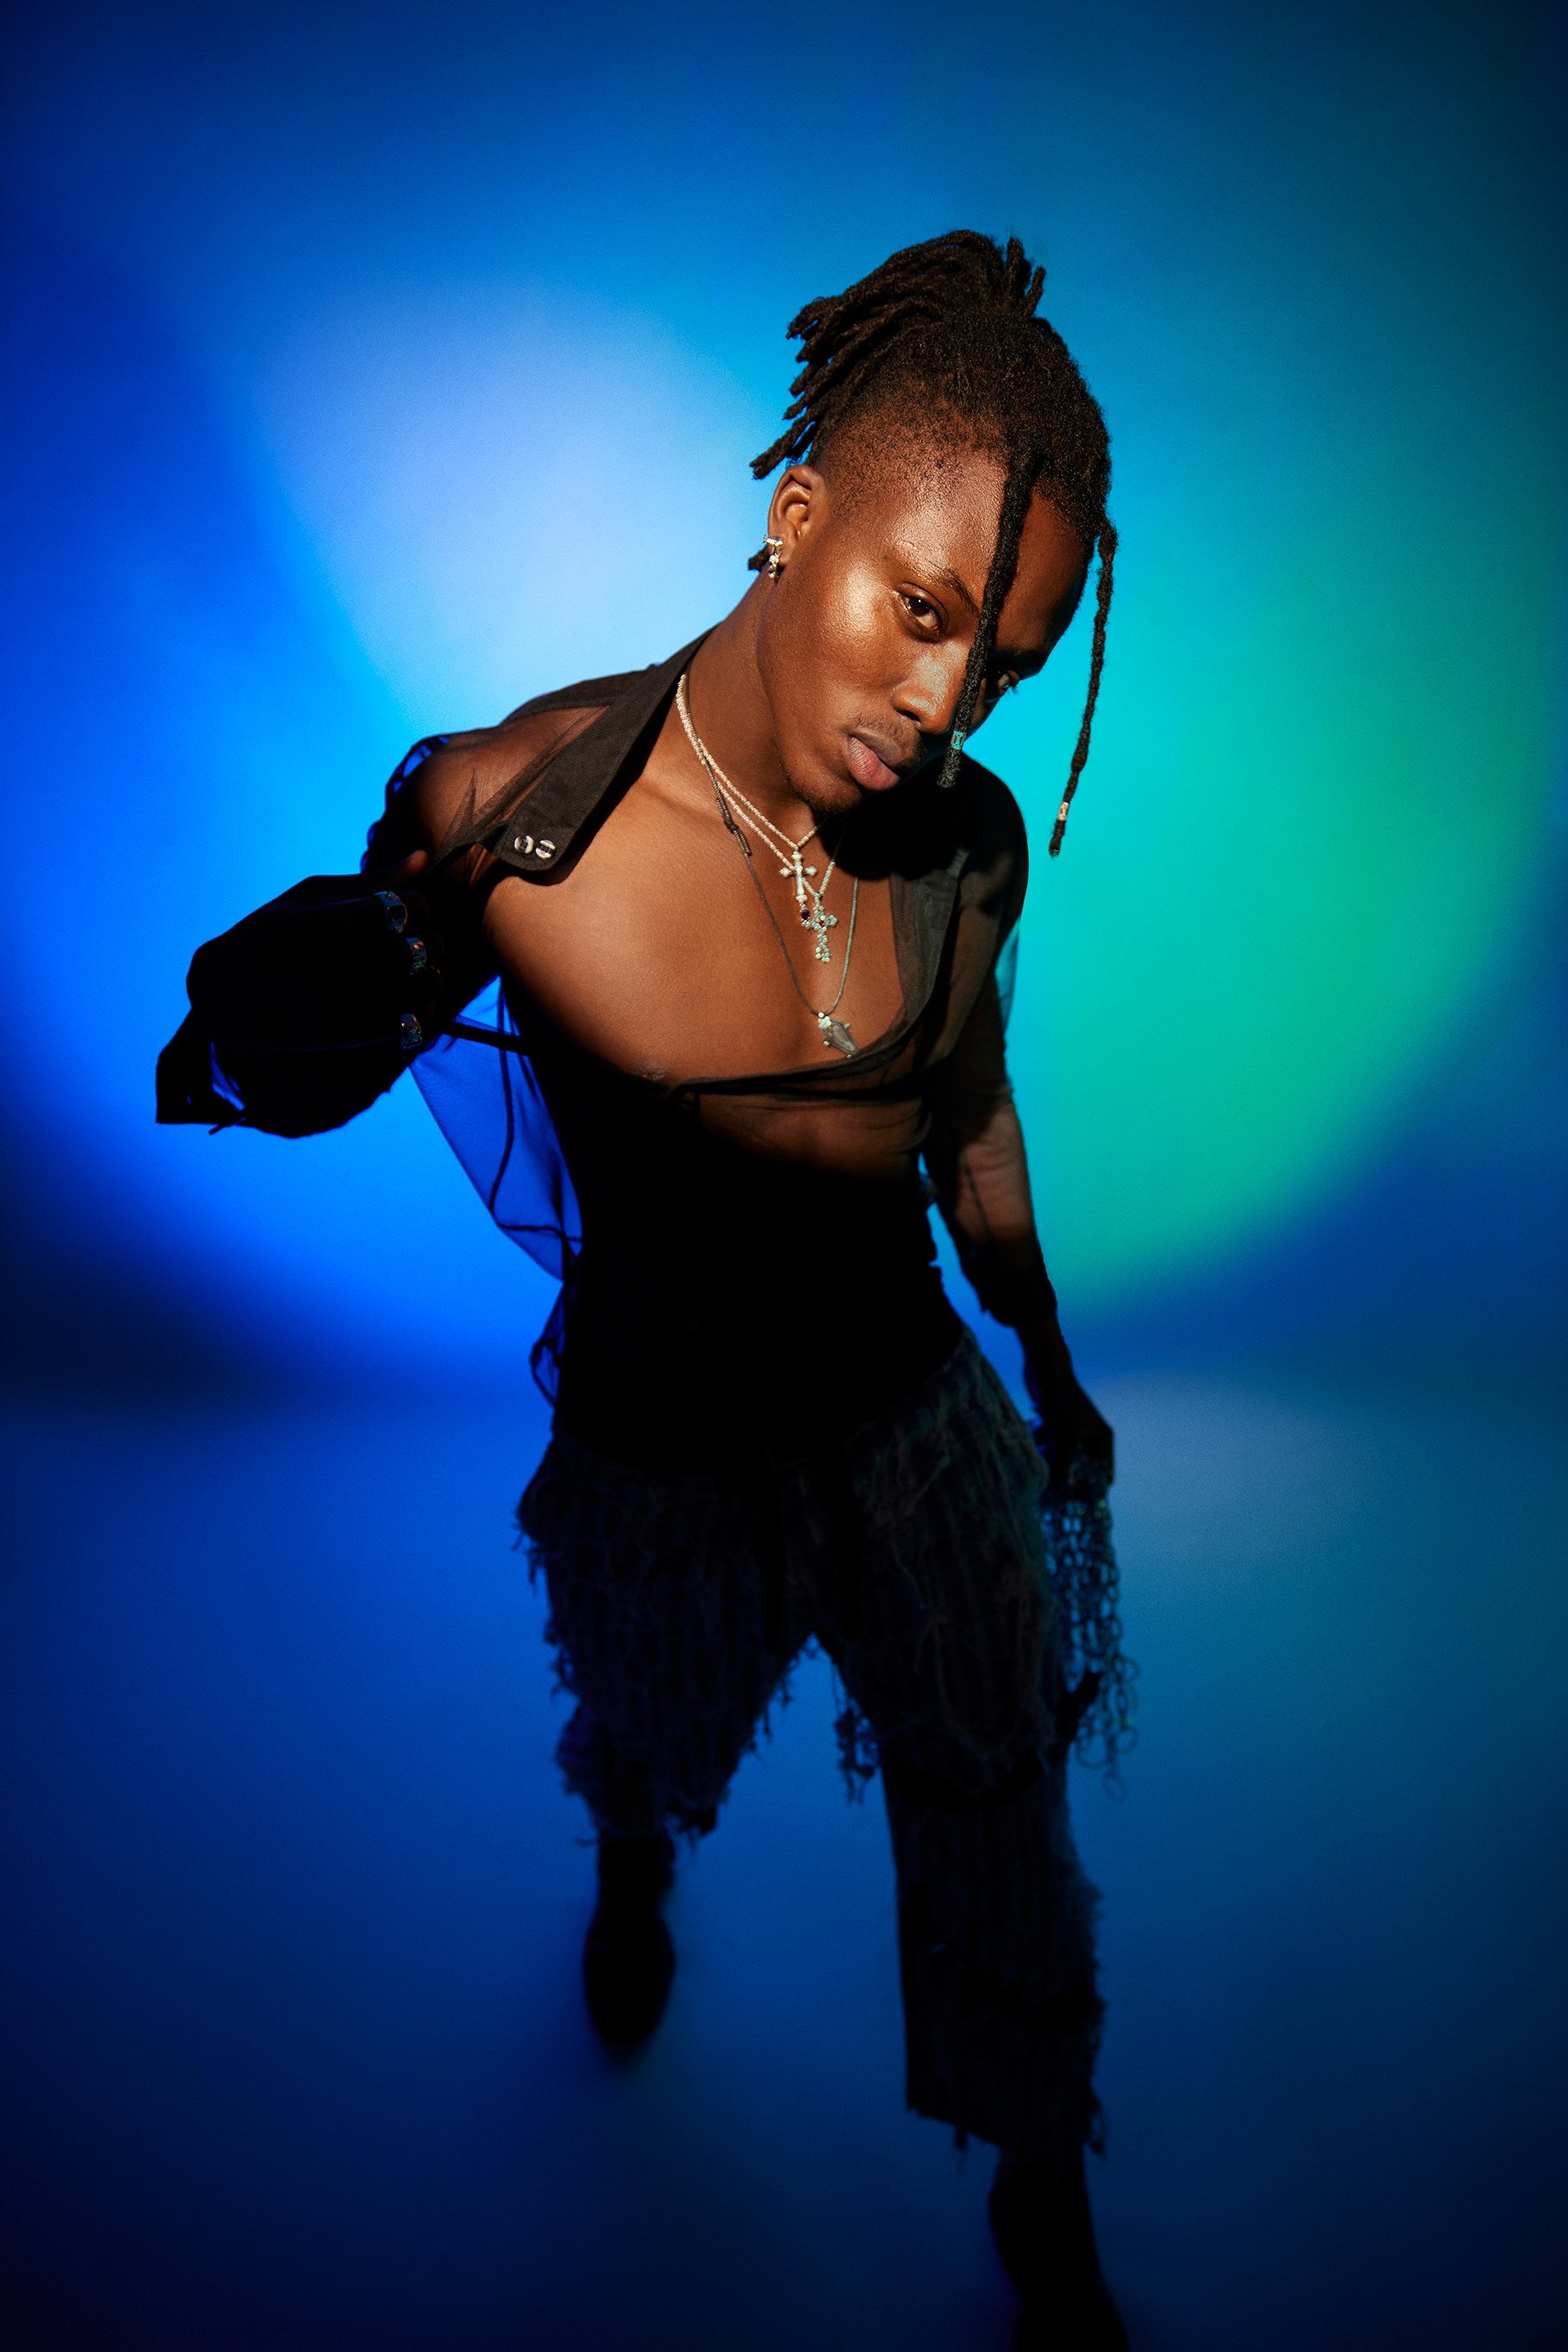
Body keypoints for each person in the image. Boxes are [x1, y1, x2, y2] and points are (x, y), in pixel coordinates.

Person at [158, 230, 1136, 2349]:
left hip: (908, 1412)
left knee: (999, 1791)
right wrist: (260, 1025)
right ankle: (628, 1872)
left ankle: (1040, 2181)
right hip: (659, 1439)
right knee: (638, 1722)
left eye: (1002, 664)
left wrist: (1043, 1358)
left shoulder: (969, 846)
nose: (945, 702)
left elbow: (967, 1110)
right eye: (923, 611)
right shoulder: (514, 816)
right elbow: (277, 1047)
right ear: (799, 516)